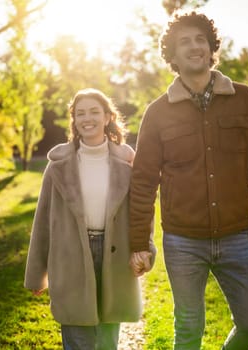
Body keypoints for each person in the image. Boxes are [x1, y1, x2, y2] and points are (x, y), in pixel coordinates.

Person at [128, 11, 248, 350]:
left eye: (201, 39)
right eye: (185, 41)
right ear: (172, 54)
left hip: (238, 238)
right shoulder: (157, 113)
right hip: (183, 242)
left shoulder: (246, 99)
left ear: (212, 47)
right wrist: (138, 242)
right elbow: (142, 182)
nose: (194, 46)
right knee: (188, 330)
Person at [25, 88, 155, 350]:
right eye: (80, 113)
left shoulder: (127, 161)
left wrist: (144, 248)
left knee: (107, 339)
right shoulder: (58, 165)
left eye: (94, 112)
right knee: (77, 337)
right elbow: (43, 220)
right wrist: (37, 273)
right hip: (70, 256)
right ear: (74, 120)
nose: (87, 118)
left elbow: (142, 211)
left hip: (114, 255)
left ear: (107, 117)